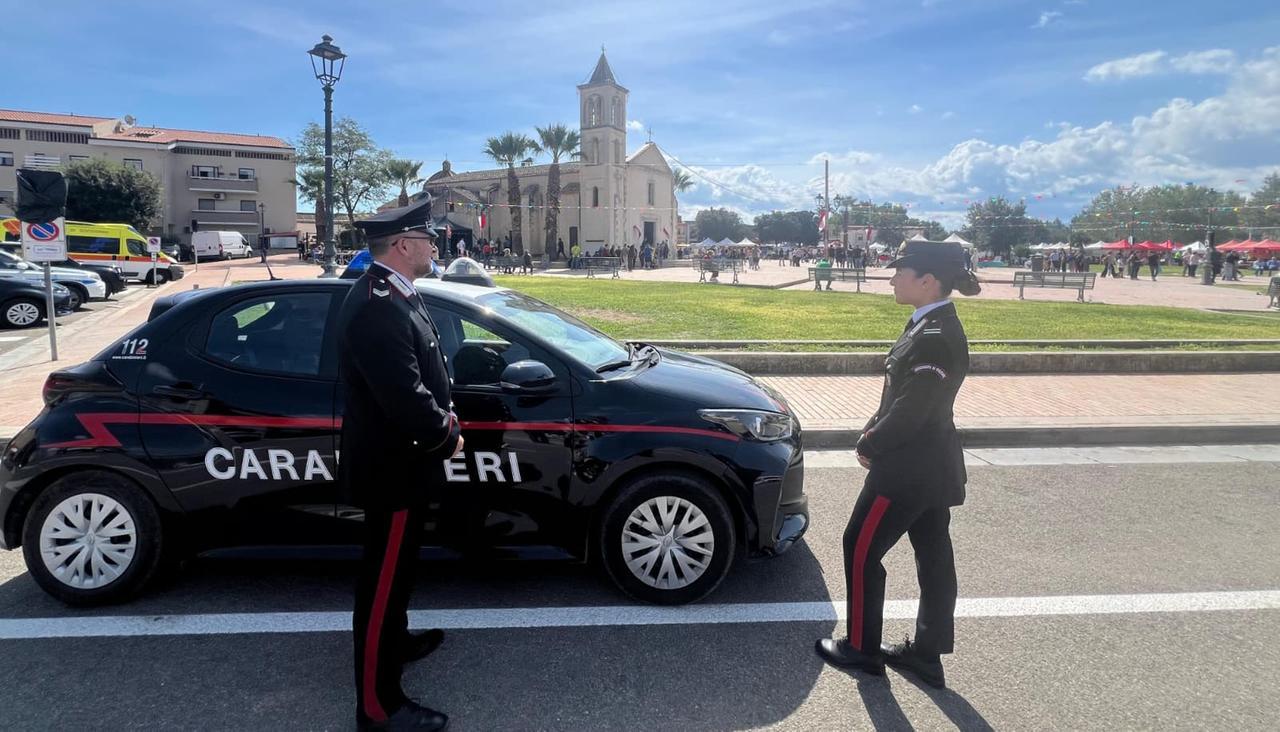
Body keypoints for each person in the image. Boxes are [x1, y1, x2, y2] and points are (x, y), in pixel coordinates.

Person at [815, 240, 980, 690]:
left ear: (926, 280)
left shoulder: (934, 336)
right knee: (933, 557)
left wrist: (872, 441)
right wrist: (873, 425)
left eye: (899, 271)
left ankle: (862, 649)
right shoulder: (931, 325)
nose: (891, 278)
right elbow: (901, 396)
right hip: (930, 465)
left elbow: (913, 410)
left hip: (907, 467)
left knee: (861, 546)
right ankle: (927, 656)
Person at [338, 196, 463, 731]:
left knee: (398, 573)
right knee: (382, 585)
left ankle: (397, 639)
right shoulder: (377, 303)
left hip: (404, 468)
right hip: (394, 470)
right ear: (404, 245)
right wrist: (447, 433)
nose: (436, 245)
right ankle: (377, 707)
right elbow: (404, 395)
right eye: (428, 238)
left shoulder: (394, 295)